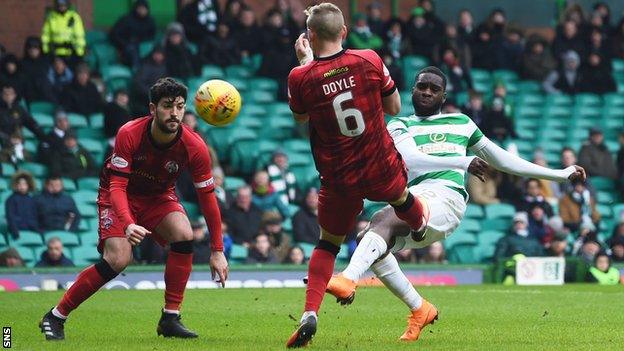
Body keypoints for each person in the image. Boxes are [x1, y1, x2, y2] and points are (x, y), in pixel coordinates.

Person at [325, 66, 585, 342]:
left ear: (443, 95)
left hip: (446, 198)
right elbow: (412, 159)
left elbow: (504, 160)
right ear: (412, 90)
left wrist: (559, 174)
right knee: (371, 238)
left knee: (383, 219)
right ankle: (419, 308)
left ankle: (349, 278)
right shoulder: (400, 125)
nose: (426, 92)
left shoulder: (461, 123)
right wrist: (461, 160)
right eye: (422, 86)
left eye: (434, 89)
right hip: (416, 197)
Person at [39, 78, 228, 341]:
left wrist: (217, 251)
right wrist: (127, 222)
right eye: (167, 106)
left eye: (180, 107)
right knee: (118, 259)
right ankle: (56, 315)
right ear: (152, 108)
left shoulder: (195, 146)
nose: (174, 113)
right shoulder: (129, 133)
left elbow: (208, 199)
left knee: (184, 234)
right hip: (119, 195)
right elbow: (117, 185)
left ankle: (170, 318)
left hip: (158, 196)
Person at [286, 4, 428, 346]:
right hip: (379, 165)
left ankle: (310, 313)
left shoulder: (299, 76)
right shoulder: (368, 59)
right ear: (345, 32)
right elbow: (394, 109)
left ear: (310, 37)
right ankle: (419, 226)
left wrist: (307, 65)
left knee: (327, 243)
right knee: (401, 198)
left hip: (338, 176)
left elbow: (301, 119)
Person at [108, 0, 156, 68]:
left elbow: (152, 36)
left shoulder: (150, 21)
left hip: (143, 46)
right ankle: (136, 70)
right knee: (132, 49)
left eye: (144, 8)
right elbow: (114, 34)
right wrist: (125, 44)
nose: (142, 10)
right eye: (140, 8)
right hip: (127, 46)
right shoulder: (126, 20)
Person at [41, 0, 86, 66]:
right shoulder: (51, 17)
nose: (62, 7)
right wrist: (45, 51)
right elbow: (45, 35)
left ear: (67, 5)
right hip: (55, 53)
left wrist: (80, 53)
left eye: (63, 5)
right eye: (60, 5)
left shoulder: (73, 17)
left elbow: (79, 36)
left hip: (70, 53)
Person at [20, 36, 56, 103]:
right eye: (30, 48)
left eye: (36, 47)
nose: (32, 50)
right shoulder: (22, 64)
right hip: (29, 96)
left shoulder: (46, 62)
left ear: (40, 49)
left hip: (46, 94)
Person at [5, 171, 39, 239]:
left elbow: (34, 216)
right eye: (19, 184)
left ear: (29, 185)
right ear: (15, 185)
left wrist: (36, 230)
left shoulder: (32, 199)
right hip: (16, 231)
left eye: (24, 184)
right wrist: (14, 231)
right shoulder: (11, 200)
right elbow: (10, 217)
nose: (22, 187)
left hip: (31, 230)